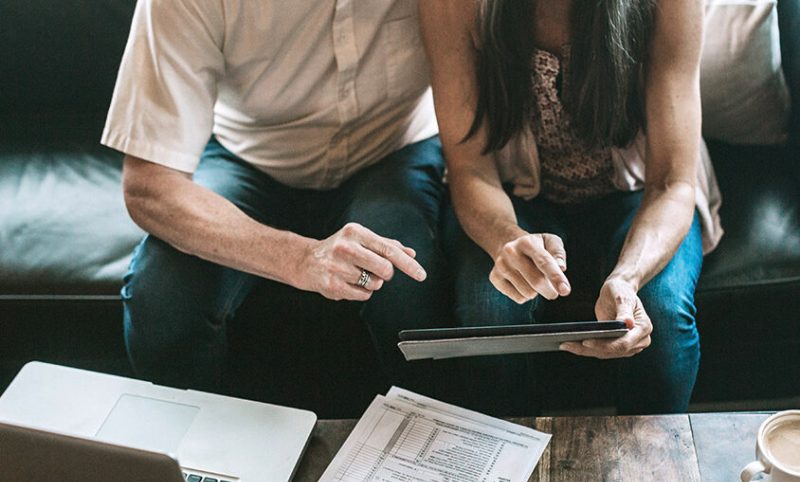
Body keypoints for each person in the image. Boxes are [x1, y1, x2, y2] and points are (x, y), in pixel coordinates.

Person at [102, 0, 453, 398]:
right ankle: (197, 457)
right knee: (165, 299)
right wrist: (300, 257)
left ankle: (430, 455)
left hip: (392, 149)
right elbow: (150, 186)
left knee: (409, 286)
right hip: (249, 154)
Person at [420, 0, 723, 414]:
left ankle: (653, 471)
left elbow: (672, 180)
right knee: (488, 306)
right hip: (513, 198)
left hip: (640, 193)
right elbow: (471, 170)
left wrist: (628, 278)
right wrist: (507, 241)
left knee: (661, 313)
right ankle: (501, 468)